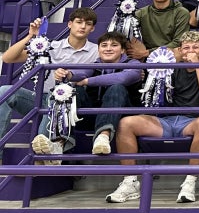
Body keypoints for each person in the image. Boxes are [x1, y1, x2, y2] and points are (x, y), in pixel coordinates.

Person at [106, 31, 199, 204]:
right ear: (180, 50)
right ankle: (130, 182)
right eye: (186, 48)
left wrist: (198, 65)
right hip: (164, 120)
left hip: (193, 121)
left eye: (195, 47)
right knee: (126, 123)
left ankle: (190, 182)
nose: (190, 51)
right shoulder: (169, 66)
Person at [31, 31, 144, 160]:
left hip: (122, 118)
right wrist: (68, 74)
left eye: (114, 45)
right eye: (104, 45)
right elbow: (82, 73)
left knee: (116, 88)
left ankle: (103, 136)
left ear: (123, 50)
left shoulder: (134, 64)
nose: (108, 49)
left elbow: (122, 78)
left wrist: (88, 81)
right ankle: (59, 142)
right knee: (73, 90)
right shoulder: (94, 65)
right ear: (99, 49)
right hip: (93, 116)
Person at [1, 11, 98, 150]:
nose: (83, 26)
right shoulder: (51, 46)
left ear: (92, 28)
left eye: (88, 24)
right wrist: (31, 35)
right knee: (4, 91)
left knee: (56, 96)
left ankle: (44, 151)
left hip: (73, 104)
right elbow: (8, 58)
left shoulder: (97, 50)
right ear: (70, 24)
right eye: (79, 22)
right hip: (42, 98)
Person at [118, 0, 191, 60]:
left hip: (169, 53)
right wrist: (126, 3)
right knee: (125, 41)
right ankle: (133, 70)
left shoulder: (181, 12)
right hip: (144, 52)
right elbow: (123, 28)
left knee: (178, 52)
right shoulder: (142, 12)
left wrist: (148, 53)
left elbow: (178, 42)